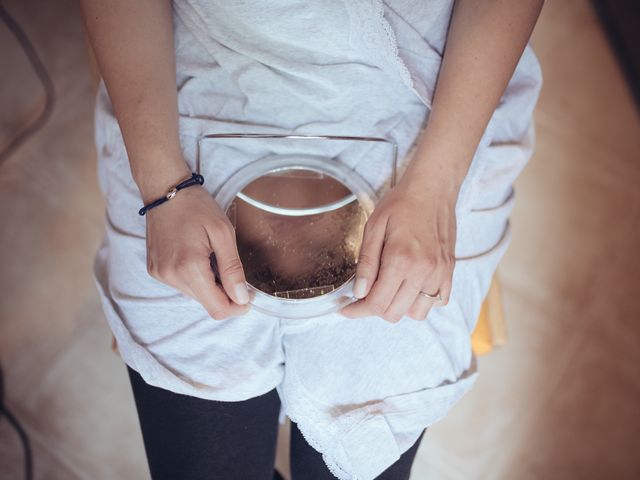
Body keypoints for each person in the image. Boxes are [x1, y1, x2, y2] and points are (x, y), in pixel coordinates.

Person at [80, 0, 544, 478]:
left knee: (361, 446)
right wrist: (162, 186)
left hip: (426, 99)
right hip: (198, 85)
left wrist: (437, 186)